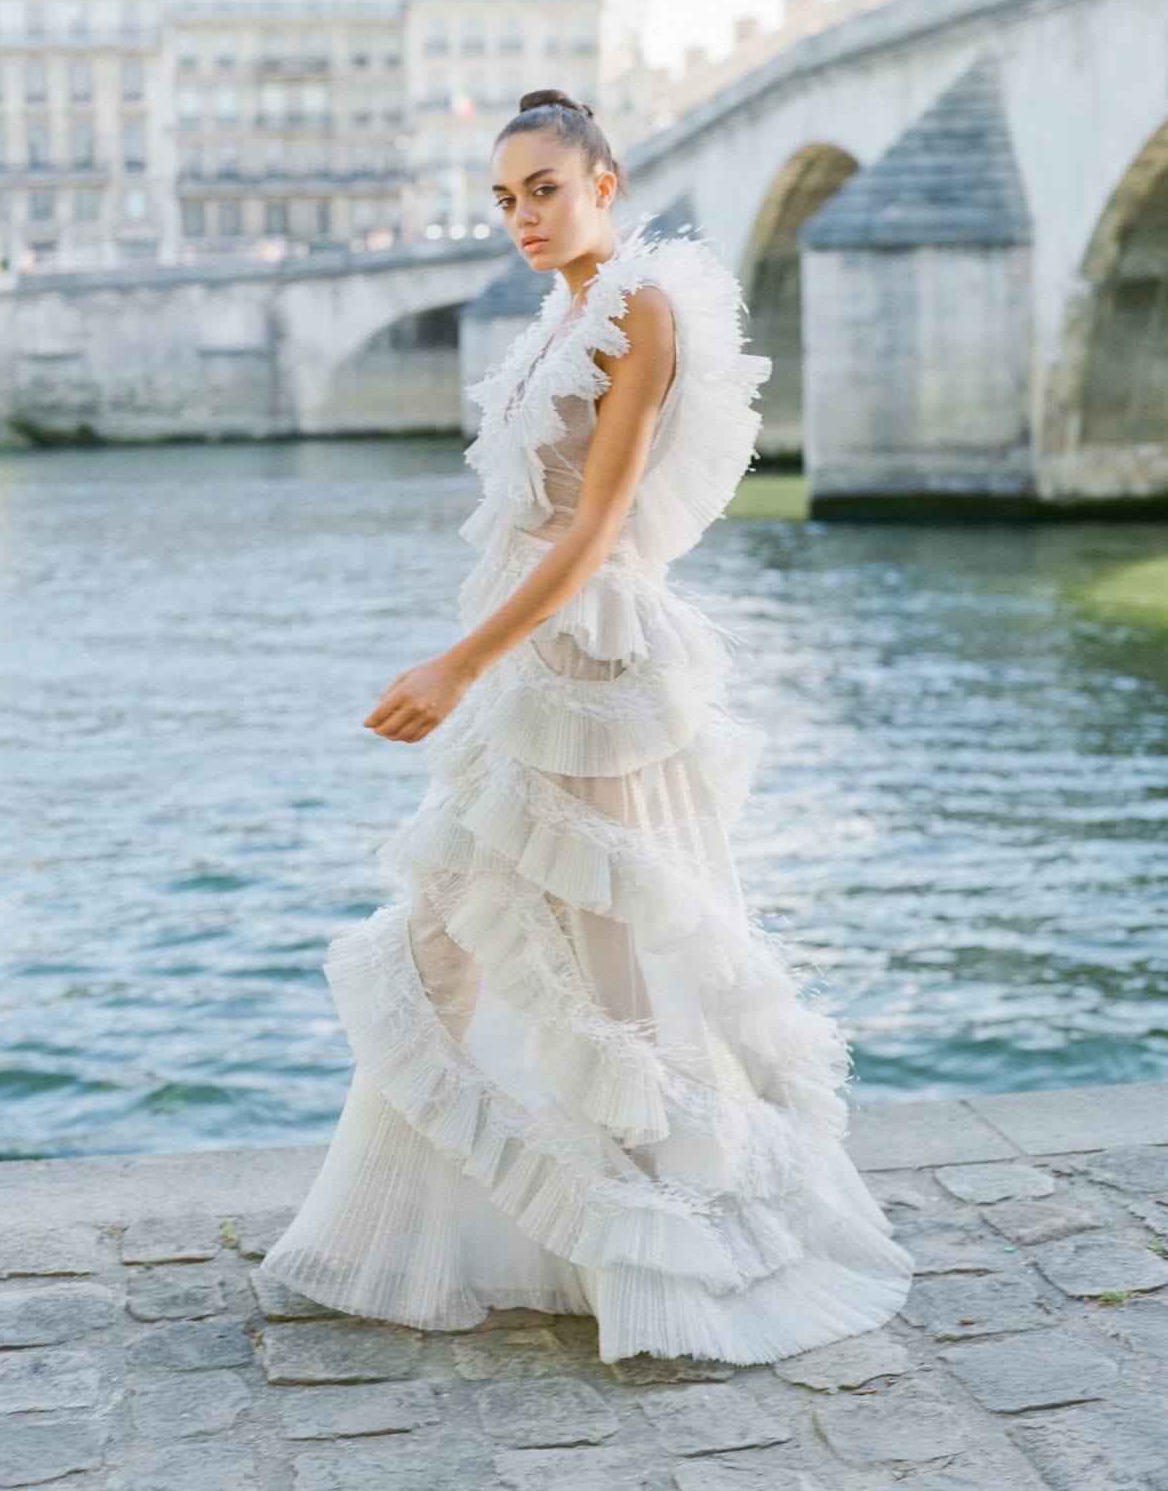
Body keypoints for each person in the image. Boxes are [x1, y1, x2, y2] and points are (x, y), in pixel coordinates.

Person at [260, 89, 915, 1365]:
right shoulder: (557, 315)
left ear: (603, 183)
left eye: (543, 189)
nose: (521, 215)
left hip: (587, 678)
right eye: (504, 198)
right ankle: (384, 1234)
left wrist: (457, 664)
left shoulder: (641, 308)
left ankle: (661, 1250)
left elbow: (596, 530)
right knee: (462, 932)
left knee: (597, 958)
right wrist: (476, 661)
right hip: (532, 667)